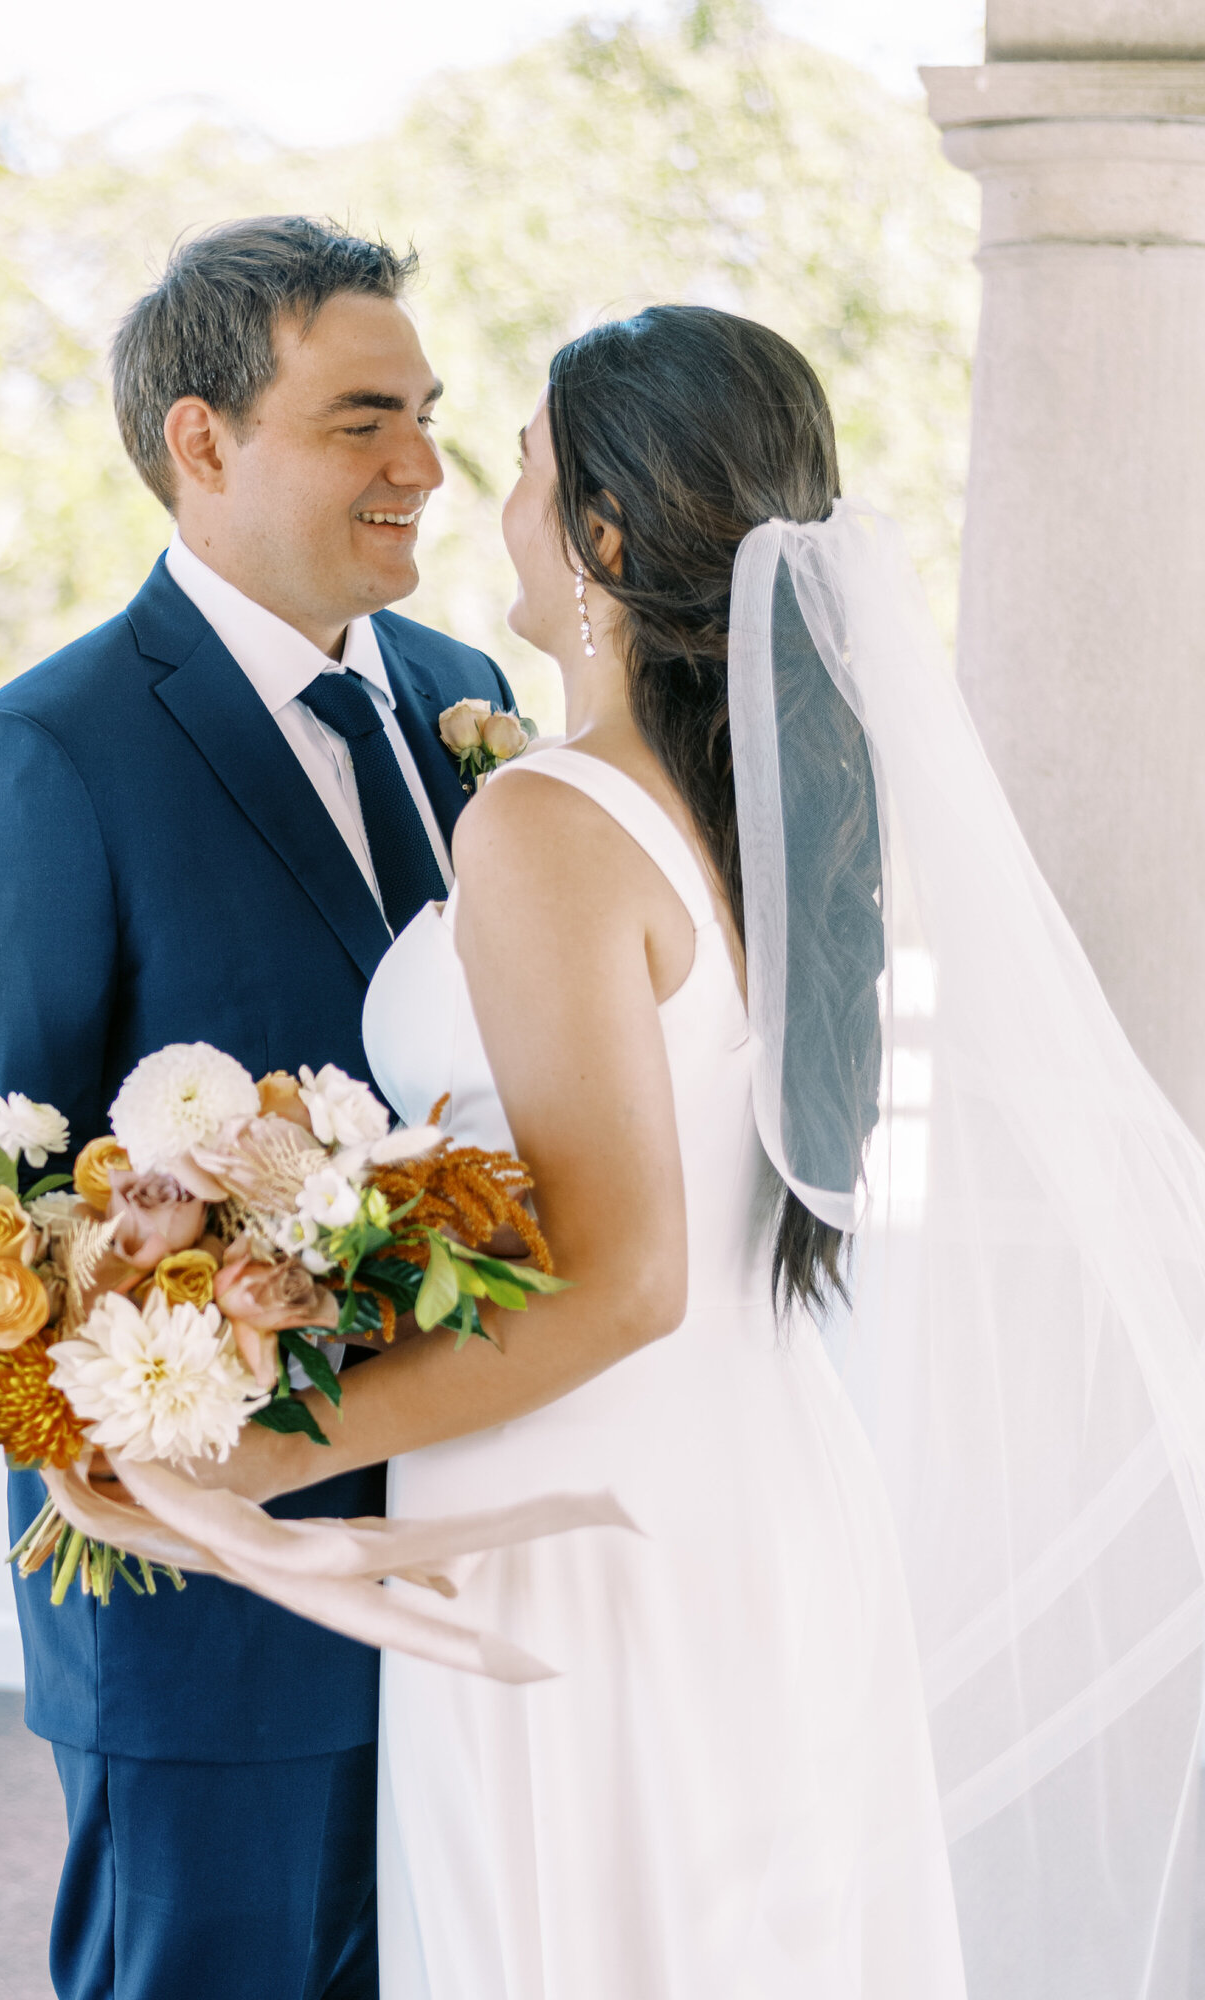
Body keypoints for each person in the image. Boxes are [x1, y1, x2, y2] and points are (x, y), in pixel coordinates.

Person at [210, 303, 1205, 1998]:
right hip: (757, 1499)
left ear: (598, 532)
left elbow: (624, 1283)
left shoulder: (547, 819)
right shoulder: (770, 821)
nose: (486, 493)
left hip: (575, 1535)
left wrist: (251, 1464)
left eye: (522, 465)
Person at [0, 216, 514, 2000]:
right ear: (202, 441)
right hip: (213, 1621)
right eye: (362, 420)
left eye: (429, 414)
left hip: (483, 1564)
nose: (424, 465)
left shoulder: (471, 704)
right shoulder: (46, 758)